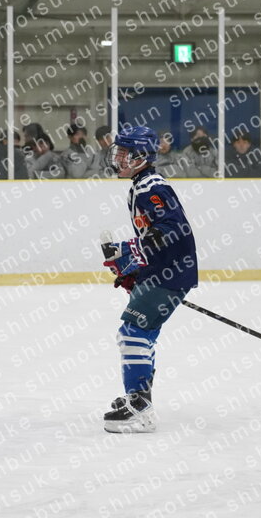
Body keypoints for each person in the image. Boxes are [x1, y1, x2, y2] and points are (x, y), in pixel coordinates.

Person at [101, 125, 198, 433]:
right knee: (143, 333)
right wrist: (139, 270)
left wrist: (133, 251)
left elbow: (172, 228)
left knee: (133, 333)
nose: (118, 158)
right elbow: (155, 236)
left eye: (124, 153)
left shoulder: (151, 187)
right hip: (162, 271)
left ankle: (140, 408)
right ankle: (139, 398)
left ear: (140, 157)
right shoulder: (140, 185)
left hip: (171, 272)